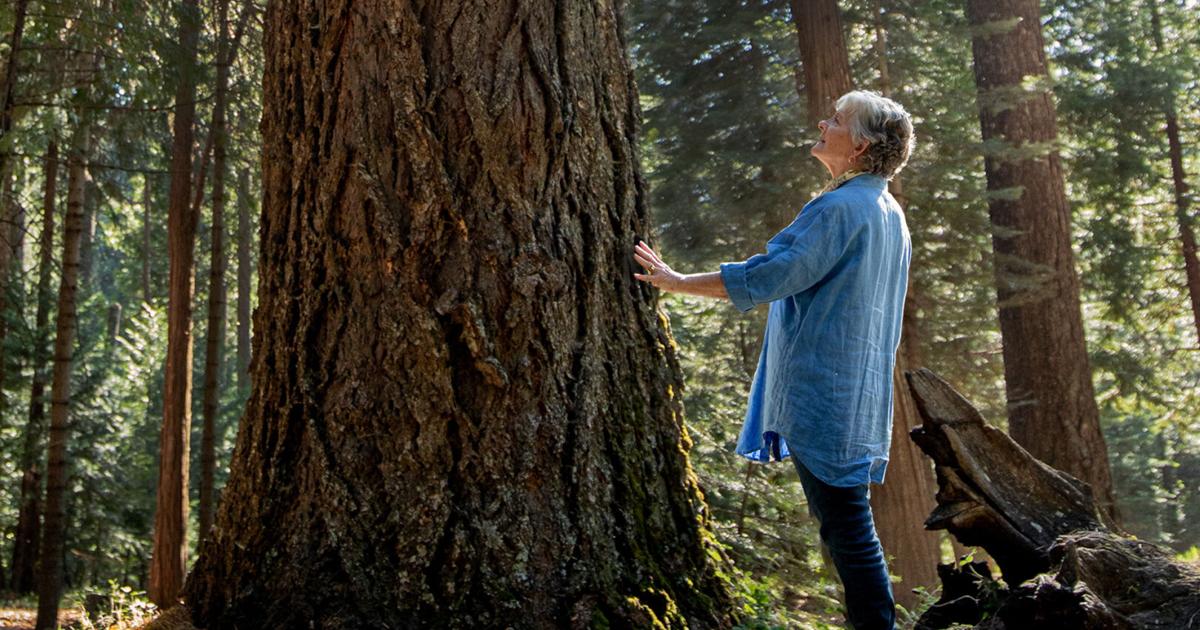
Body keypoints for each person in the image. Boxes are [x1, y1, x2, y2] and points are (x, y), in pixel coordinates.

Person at [632, 90, 914, 630]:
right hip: (853, 390)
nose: (822, 122)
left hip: (827, 389)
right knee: (848, 525)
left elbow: (773, 273)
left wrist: (679, 282)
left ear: (860, 146)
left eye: (836, 120)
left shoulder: (842, 208)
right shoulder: (885, 210)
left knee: (848, 528)